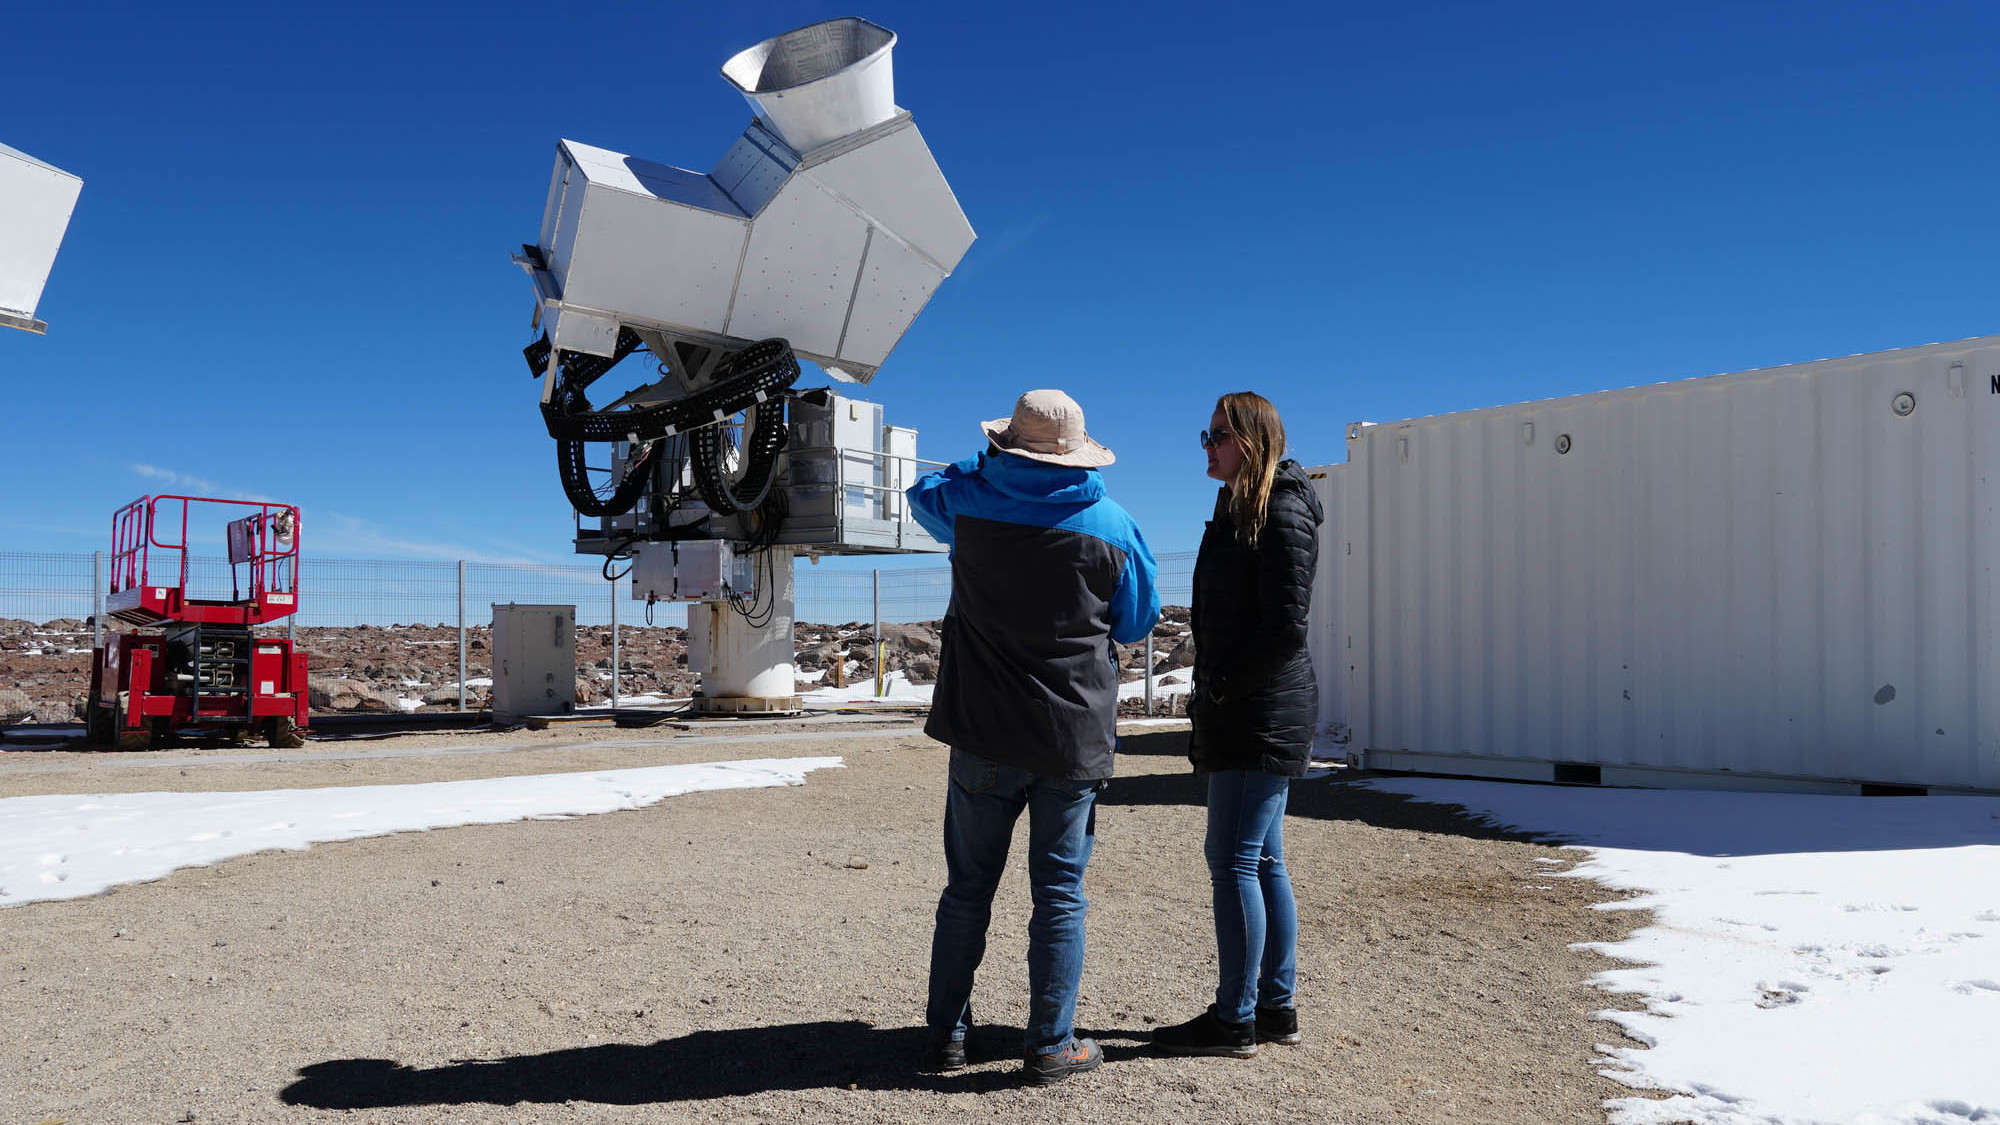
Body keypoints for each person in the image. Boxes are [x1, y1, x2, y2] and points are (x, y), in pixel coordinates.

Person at [908, 389, 1160, 1085]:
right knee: (1059, 895)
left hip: (983, 728)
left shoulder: (969, 504)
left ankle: (946, 1034)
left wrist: (985, 462)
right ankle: (1050, 1043)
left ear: (1007, 445)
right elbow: (1136, 622)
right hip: (1072, 737)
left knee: (968, 889)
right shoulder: (1114, 524)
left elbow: (921, 495)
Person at [1152, 391, 1323, 1059]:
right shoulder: (1241, 507)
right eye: (1205, 434)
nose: (1207, 445)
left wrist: (1224, 687)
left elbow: (1285, 628)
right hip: (1251, 705)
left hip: (1259, 711)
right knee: (1262, 859)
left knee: (1231, 860)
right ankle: (1274, 1008)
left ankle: (1235, 1019)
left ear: (1251, 440)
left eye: (1218, 434)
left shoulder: (1280, 510)